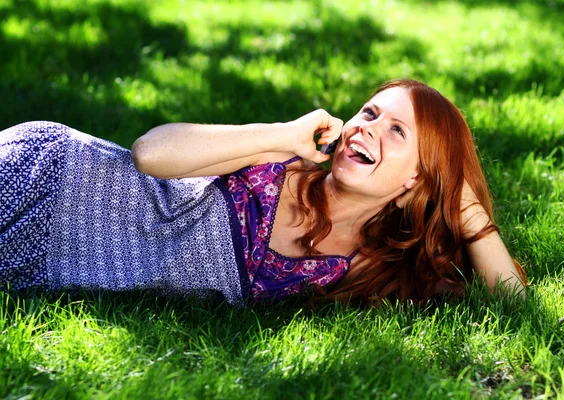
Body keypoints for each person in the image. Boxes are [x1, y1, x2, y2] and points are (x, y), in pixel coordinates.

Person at [0, 79, 526, 307]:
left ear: (417, 180)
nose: (368, 128)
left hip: (48, 263)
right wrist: (280, 134)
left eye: (397, 131)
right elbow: (148, 154)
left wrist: (464, 204)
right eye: (370, 113)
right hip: (50, 181)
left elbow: (513, 302)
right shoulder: (285, 164)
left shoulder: (369, 269)